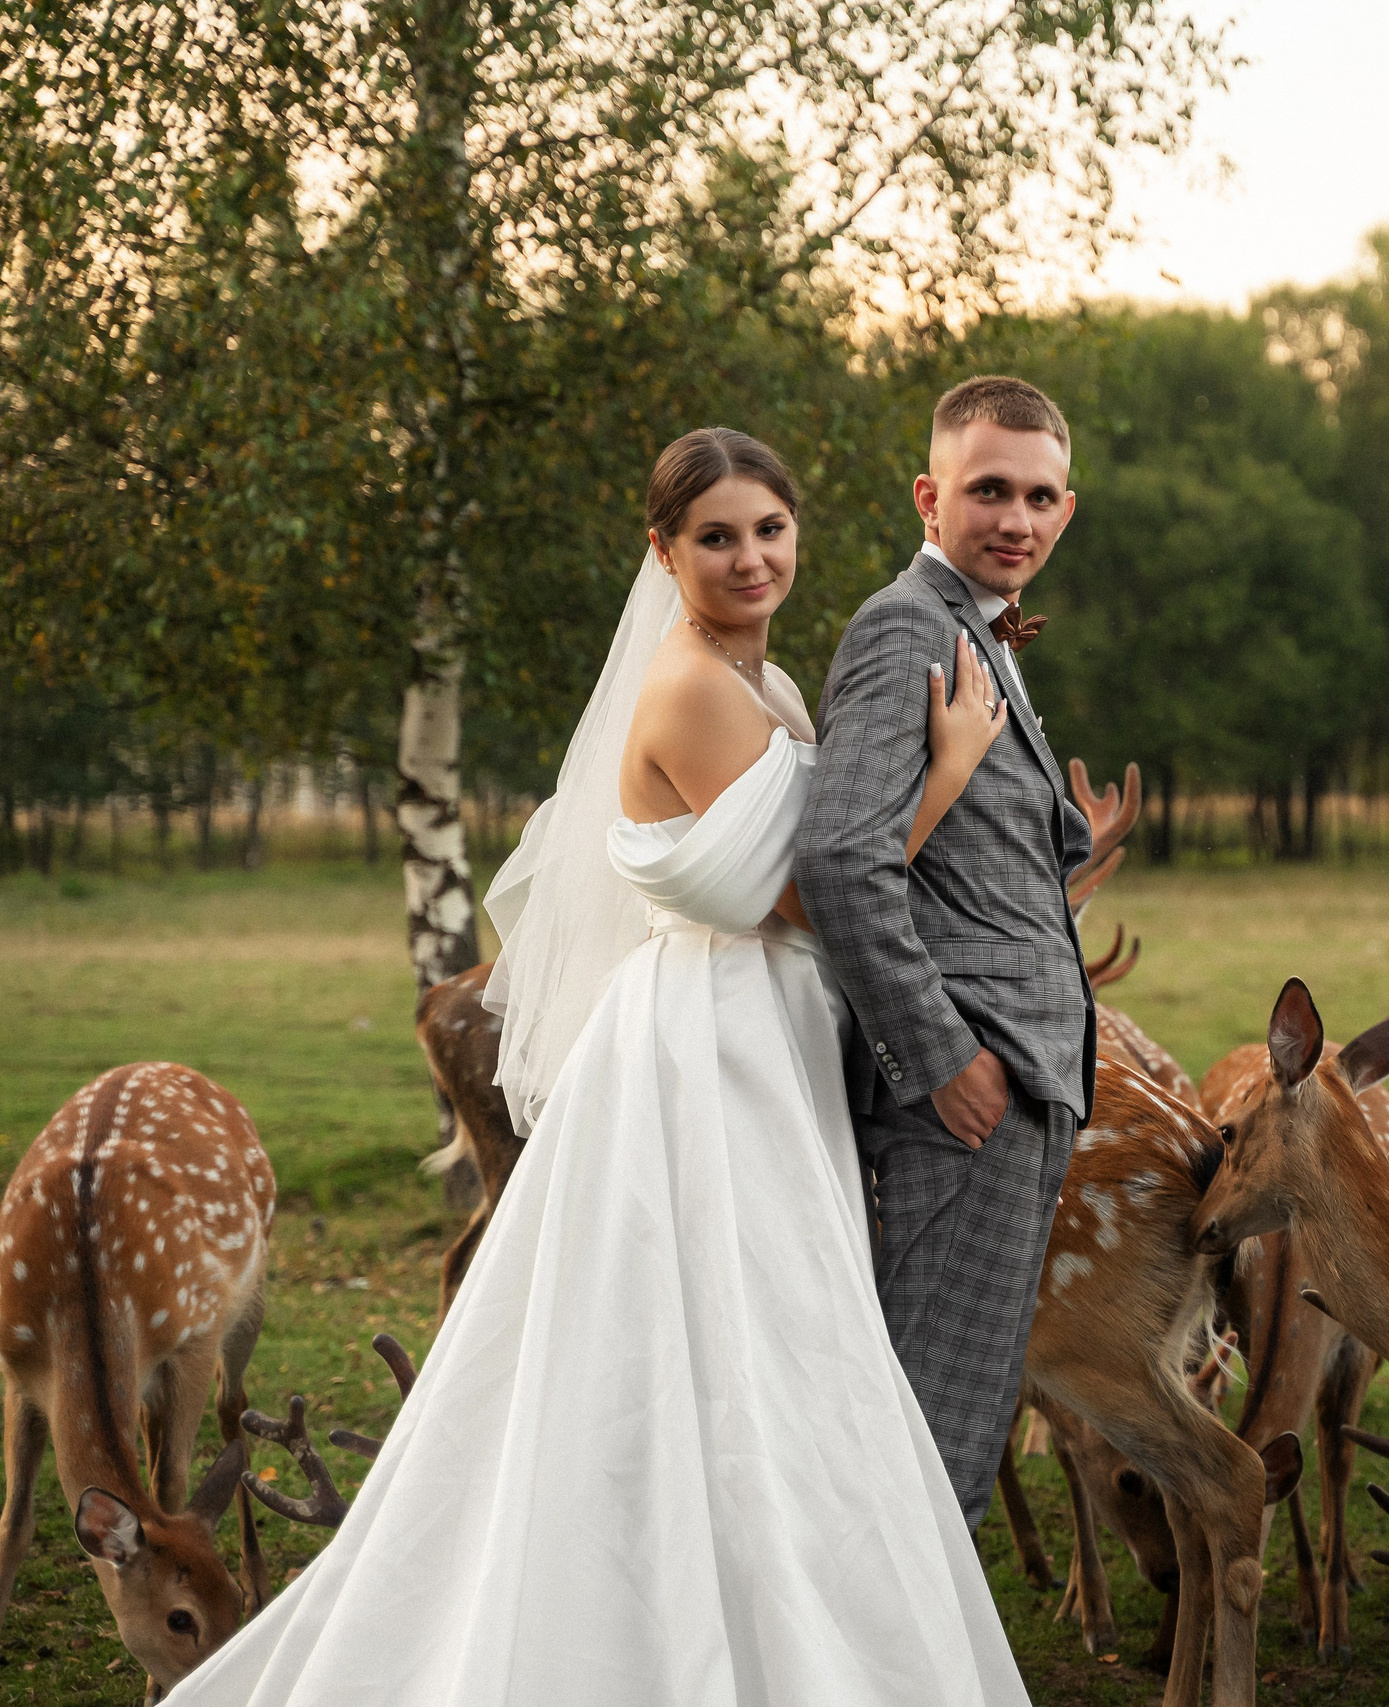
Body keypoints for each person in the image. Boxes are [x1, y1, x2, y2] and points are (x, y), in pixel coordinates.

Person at [166, 428, 1031, 1705]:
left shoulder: (771, 682)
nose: (750, 558)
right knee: (727, 1340)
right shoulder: (687, 687)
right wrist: (949, 770)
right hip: (709, 1042)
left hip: (769, 1037)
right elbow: (805, 894)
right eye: (717, 537)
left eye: (769, 531)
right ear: (664, 552)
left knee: (768, 1344)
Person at [797, 376, 1096, 1529]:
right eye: (987, 491)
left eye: (1037, 496)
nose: (1015, 518)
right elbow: (839, 858)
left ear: (1066, 511)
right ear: (930, 496)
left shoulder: (981, 626)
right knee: (931, 1448)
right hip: (965, 1099)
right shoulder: (905, 627)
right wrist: (941, 1057)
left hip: (1020, 1084)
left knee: (951, 1436)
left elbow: (949, 860)